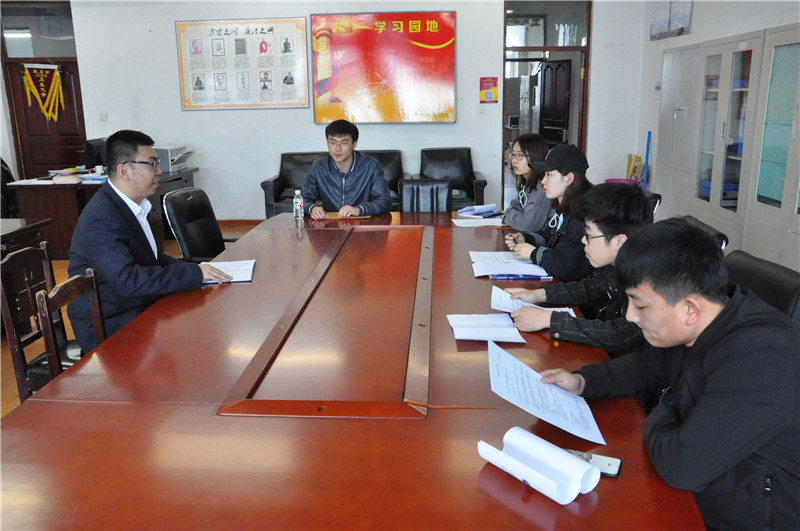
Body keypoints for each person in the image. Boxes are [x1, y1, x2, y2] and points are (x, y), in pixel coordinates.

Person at [539, 218, 800, 530]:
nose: (630, 316)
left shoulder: (761, 359)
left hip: (740, 515)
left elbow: (681, 467)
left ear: (690, 309)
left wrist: (663, 412)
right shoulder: (708, 322)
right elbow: (648, 365)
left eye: (640, 305)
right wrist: (584, 381)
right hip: (700, 486)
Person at [67, 130, 232, 353]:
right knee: (196, 340)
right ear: (124, 171)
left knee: (207, 320)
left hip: (137, 305)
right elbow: (128, 281)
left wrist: (198, 269)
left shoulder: (131, 205)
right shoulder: (101, 218)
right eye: (152, 164)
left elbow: (152, 259)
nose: (159, 171)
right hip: (110, 323)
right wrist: (193, 273)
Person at [507, 183, 653, 356]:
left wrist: (549, 320)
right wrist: (537, 295)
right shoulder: (619, 264)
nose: (583, 240)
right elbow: (590, 288)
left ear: (619, 241)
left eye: (589, 235)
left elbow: (621, 335)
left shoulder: (648, 280)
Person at [504, 143, 593, 281]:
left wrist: (533, 253)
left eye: (549, 175)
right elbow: (549, 236)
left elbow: (568, 265)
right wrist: (526, 239)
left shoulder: (582, 215)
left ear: (569, 178)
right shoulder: (563, 207)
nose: (543, 181)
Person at [301, 119, 391, 219]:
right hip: (329, 222)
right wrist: (312, 208)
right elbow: (303, 198)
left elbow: (384, 201)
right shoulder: (319, 166)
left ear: (354, 144)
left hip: (361, 223)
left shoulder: (370, 166)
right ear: (327, 143)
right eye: (333, 142)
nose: (337, 149)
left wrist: (359, 209)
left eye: (344, 143)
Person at [501, 134, 552, 233]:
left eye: (519, 155)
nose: (514, 160)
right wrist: (518, 213)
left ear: (535, 157)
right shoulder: (527, 181)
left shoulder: (542, 187)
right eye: (513, 155)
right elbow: (514, 204)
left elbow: (527, 225)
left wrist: (508, 213)